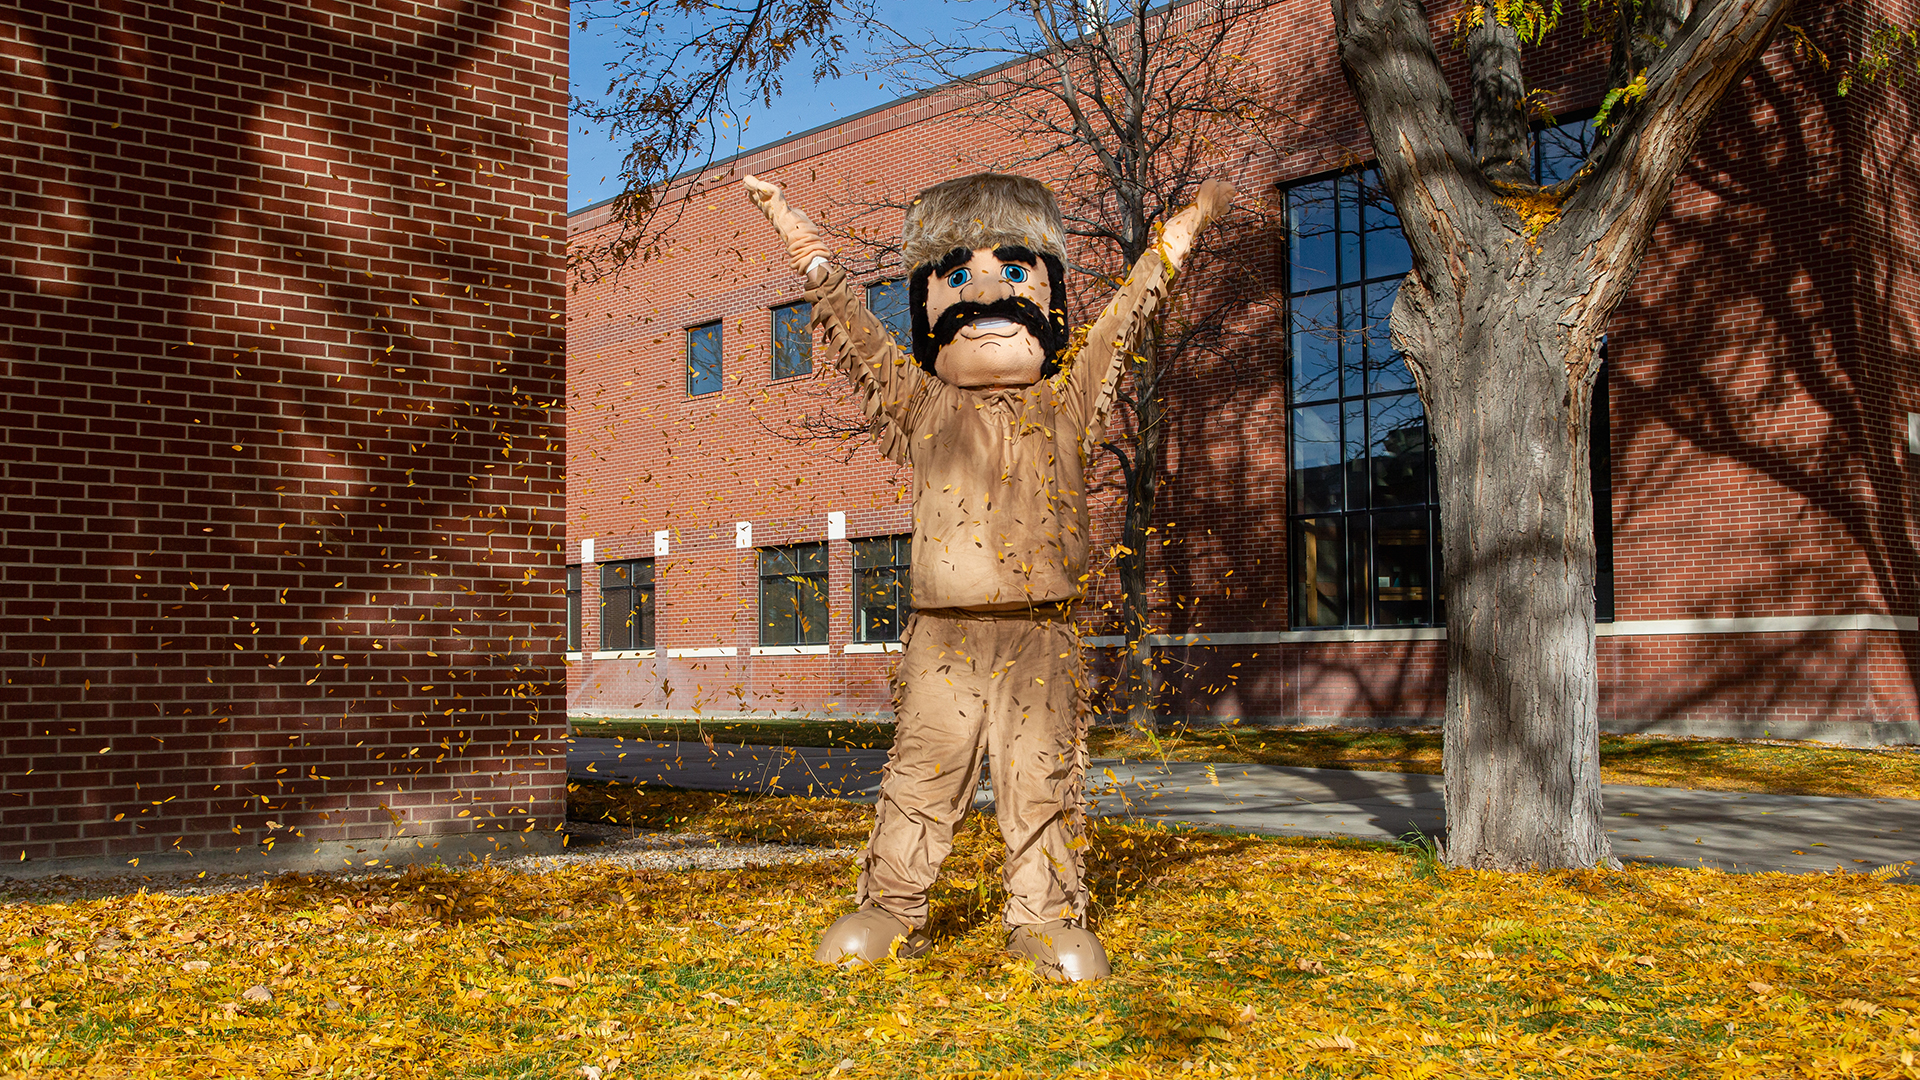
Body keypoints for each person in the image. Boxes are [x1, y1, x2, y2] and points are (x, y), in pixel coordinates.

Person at [744, 170, 1233, 981]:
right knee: (919, 777)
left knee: (1043, 784)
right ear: (928, 309)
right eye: (957, 277)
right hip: (943, 639)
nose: (988, 297)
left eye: (1014, 273)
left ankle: (1042, 919)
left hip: (1041, 638)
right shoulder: (922, 406)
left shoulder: (1068, 403)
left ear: (1049, 300)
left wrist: (1182, 232)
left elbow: (1126, 317)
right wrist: (795, 230)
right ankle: (892, 906)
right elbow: (850, 326)